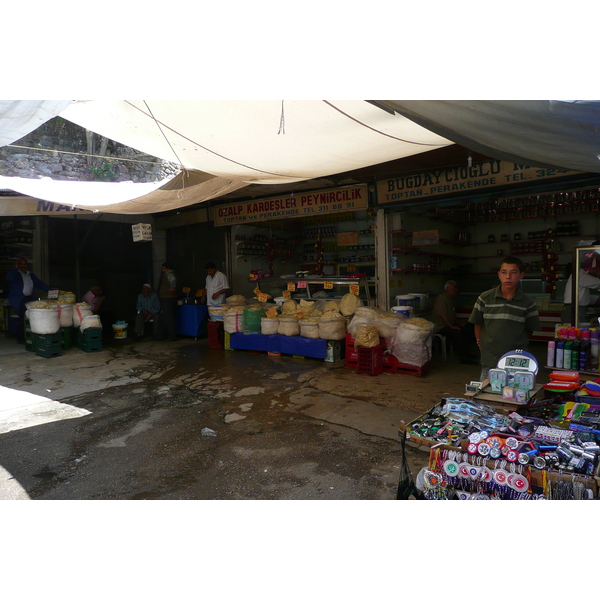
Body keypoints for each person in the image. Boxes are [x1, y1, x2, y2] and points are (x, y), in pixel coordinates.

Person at [469, 256, 541, 381]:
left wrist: (516, 343)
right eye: (504, 272)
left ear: (521, 275)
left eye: (513, 272)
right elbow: (478, 323)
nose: (508, 277)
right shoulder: (485, 298)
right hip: (490, 357)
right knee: (487, 391)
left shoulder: (527, 303)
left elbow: (529, 330)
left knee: (515, 392)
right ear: (499, 275)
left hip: (517, 359)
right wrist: (480, 342)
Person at [6, 258, 56, 343]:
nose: (23, 265)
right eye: (20, 263)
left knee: (33, 314)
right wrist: (15, 268)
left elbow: (40, 284)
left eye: (24, 263)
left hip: (29, 298)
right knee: (23, 316)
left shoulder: (30, 274)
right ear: (18, 264)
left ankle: (31, 335)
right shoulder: (15, 274)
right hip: (17, 298)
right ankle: (21, 338)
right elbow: (9, 278)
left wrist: (51, 289)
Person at [431, 280, 478, 364]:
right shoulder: (441, 298)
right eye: (454, 288)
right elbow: (443, 315)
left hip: (449, 324)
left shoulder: (450, 300)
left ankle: (467, 353)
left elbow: (451, 315)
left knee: (468, 327)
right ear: (447, 289)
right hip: (441, 326)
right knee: (457, 332)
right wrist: (451, 326)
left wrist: (457, 322)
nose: (456, 290)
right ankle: (464, 358)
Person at [561, 251, 600, 326]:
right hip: (573, 310)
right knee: (572, 335)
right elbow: (597, 283)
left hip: (577, 309)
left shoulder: (581, 276)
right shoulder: (580, 275)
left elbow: (582, 296)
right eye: (597, 270)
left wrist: (596, 299)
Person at [157, 262, 178, 341]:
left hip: (168, 299)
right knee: (166, 317)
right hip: (166, 299)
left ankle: (172, 336)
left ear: (168, 268)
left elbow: (173, 279)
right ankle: (163, 335)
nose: (163, 270)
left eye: (164, 269)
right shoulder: (167, 275)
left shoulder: (170, 274)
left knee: (168, 318)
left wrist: (172, 287)